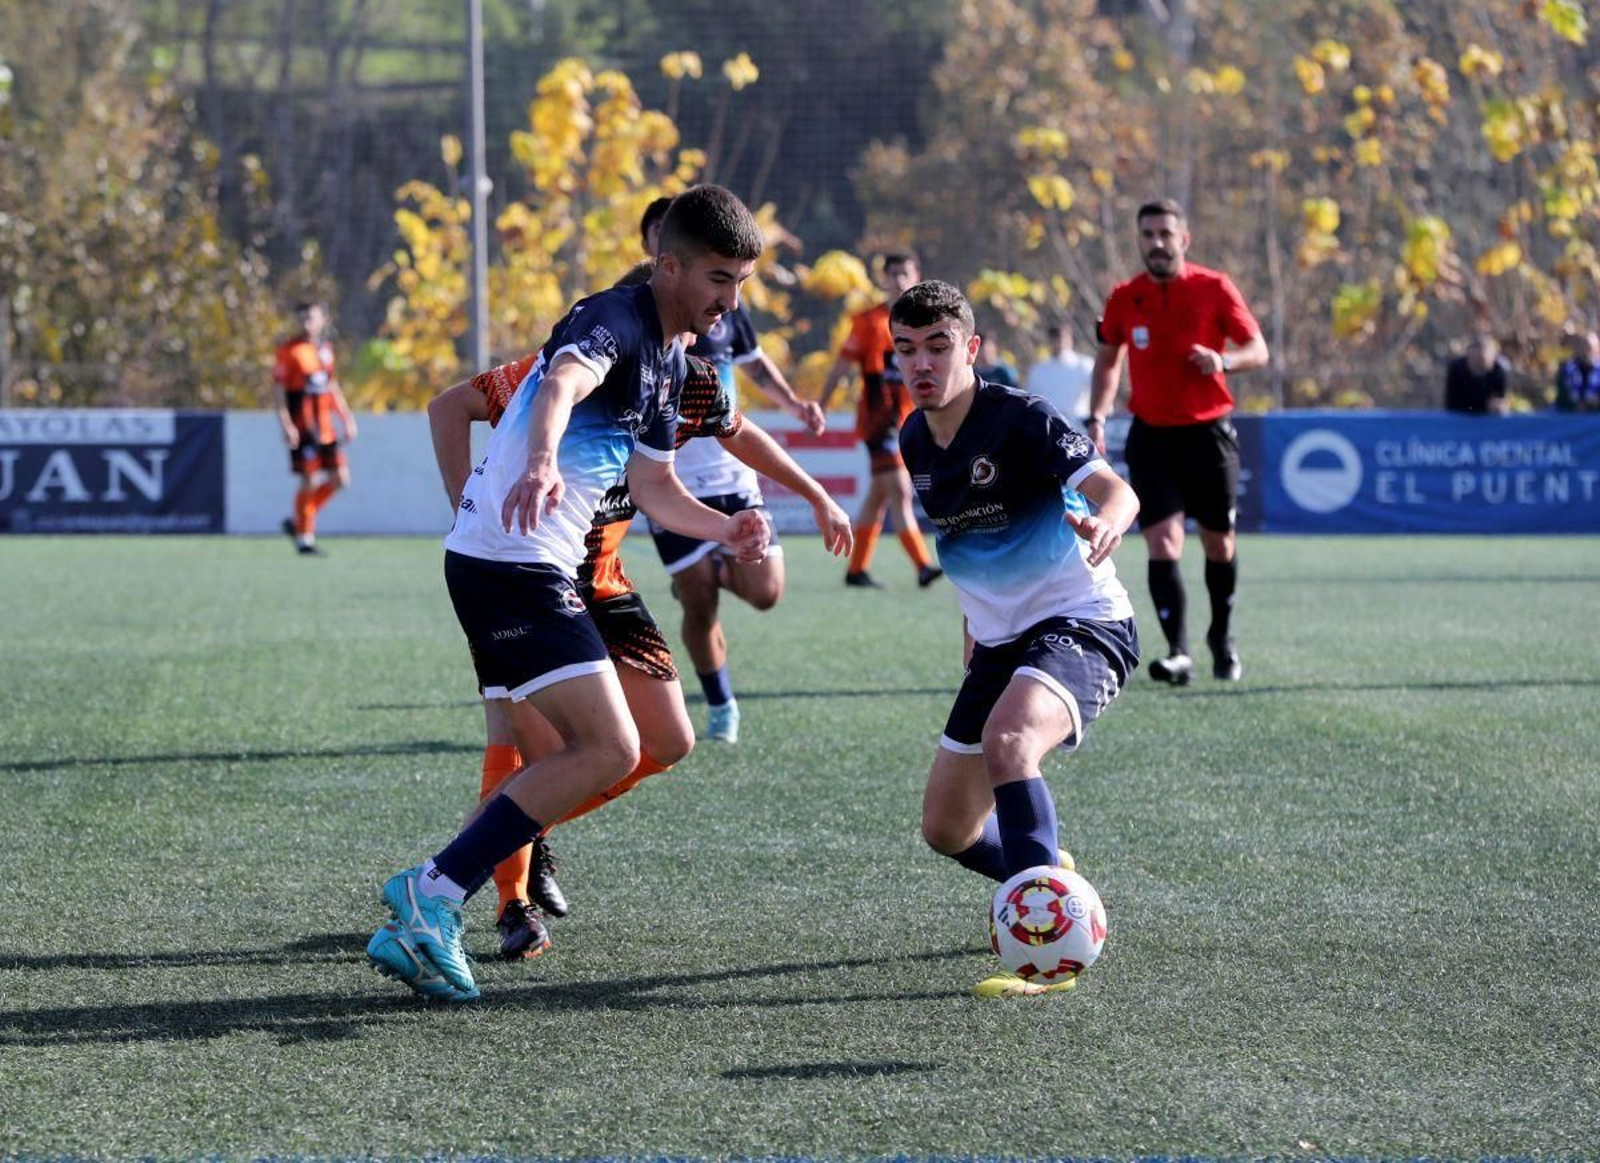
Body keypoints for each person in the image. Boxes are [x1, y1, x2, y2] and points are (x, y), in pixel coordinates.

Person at [364, 184, 773, 1002]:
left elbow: (657, 490)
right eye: (719, 278)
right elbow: (559, 387)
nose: (731, 300)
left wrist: (729, 529)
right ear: (669, 265)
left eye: (739, 283)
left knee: (610, 749)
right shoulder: (614, 319)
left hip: (527, 566)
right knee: (605, 749)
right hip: (512, 562)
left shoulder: (668, 359)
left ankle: (437, 894)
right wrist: (545, 458)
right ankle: (436, 892)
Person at [428, 331, 851, 959]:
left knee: (668, 740)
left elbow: (737, 433)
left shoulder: (688, 376)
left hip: (602, 582)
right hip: (522, 574)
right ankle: (505, 904)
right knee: (530, 746)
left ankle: (517, 831)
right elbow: (447, 406)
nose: (714, 312)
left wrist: (814, 495)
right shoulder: (557, 372)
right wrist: (468, 503)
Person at [891, 279, 1140, 999]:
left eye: (938, 347)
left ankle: (1049, 951)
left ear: (970, 349)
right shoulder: (914, 438)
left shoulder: (1022, 417)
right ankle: (1045, 866)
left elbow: (1117, 492)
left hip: (1082, 620)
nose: (922, 364)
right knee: (946, 827)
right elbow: (965, 539)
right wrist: (974, 625)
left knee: (1011, 742)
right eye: (906, 350)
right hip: (999, 645)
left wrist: (1105, 524)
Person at [641, 199, 831, 744]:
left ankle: (713, 564)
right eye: (656, 235)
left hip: (731, 476)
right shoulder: (637, 310)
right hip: (670, 479)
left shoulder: (724, 305)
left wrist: (794, 402)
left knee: (766, 590)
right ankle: (721, 704)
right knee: (698, 600)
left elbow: (752, 363)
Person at [1087, 198, 1268, 686]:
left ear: (1183, 239)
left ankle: (1221, 639)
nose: (1157, 244)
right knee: (1162, 542)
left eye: (1166, 234)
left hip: (1209, 435)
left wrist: (1223, 360)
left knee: (1218, 543)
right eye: (1148, 235)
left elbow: (1258, 348)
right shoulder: (1124, 297)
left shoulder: (1214, 288)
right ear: (1140, 240)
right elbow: (1108, 361)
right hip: (1152, 437)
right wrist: (1098, 415)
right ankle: (1178, 651)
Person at [818, 252, 942, 589]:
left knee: (879, 497)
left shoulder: (929, 323)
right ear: (884, 279)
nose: (900, 280)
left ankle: (856, 570)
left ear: (917, 276)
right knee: (900, 490)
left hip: (909, 421)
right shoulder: (869, 321)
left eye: (906, 273)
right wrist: (822, 405)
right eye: (894, 273)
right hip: (879, 420)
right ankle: (923, 565)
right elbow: (841, 366)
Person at [272, 301, 357, 555]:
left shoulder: (325, 350)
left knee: (340, 479)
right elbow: (278, 392)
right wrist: (286, 424)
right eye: (302, 318)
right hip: (304, 427)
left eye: (311, 317)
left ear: (322, 320)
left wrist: (347, 418)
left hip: (326, 428)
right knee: (309, 480)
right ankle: (304, 538)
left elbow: (331, 387)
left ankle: (299, 520)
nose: (306, 322)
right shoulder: (289, 351)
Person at [1025, 320, 1094, 421]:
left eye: (1063, 337)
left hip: (1079, 427)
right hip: (1048, 426)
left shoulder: (1084, 365)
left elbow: (1100, 396)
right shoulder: (1039, 370)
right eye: (1055, 338)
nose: (1060, 341)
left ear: (1071, 339)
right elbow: (1032, 401)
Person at [1444, 334, 1511, 415]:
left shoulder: (1498, 372)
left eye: (1482, 359)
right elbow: (1452, 404)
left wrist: (1499, 407)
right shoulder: (1456, 369)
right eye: (1475, 359)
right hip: (1461, 418)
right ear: (1468, 354)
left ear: (1493, 356)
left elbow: (1500, 402)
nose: (1478, 364)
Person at [1554, 330, 1600, 413]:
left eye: (1589, 347)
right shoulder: (1566, 370)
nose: (1585, 350)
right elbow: (1561, 398)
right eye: (1582, 346)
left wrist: (1591, 404)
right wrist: (1576, 404)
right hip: (1570, 417)